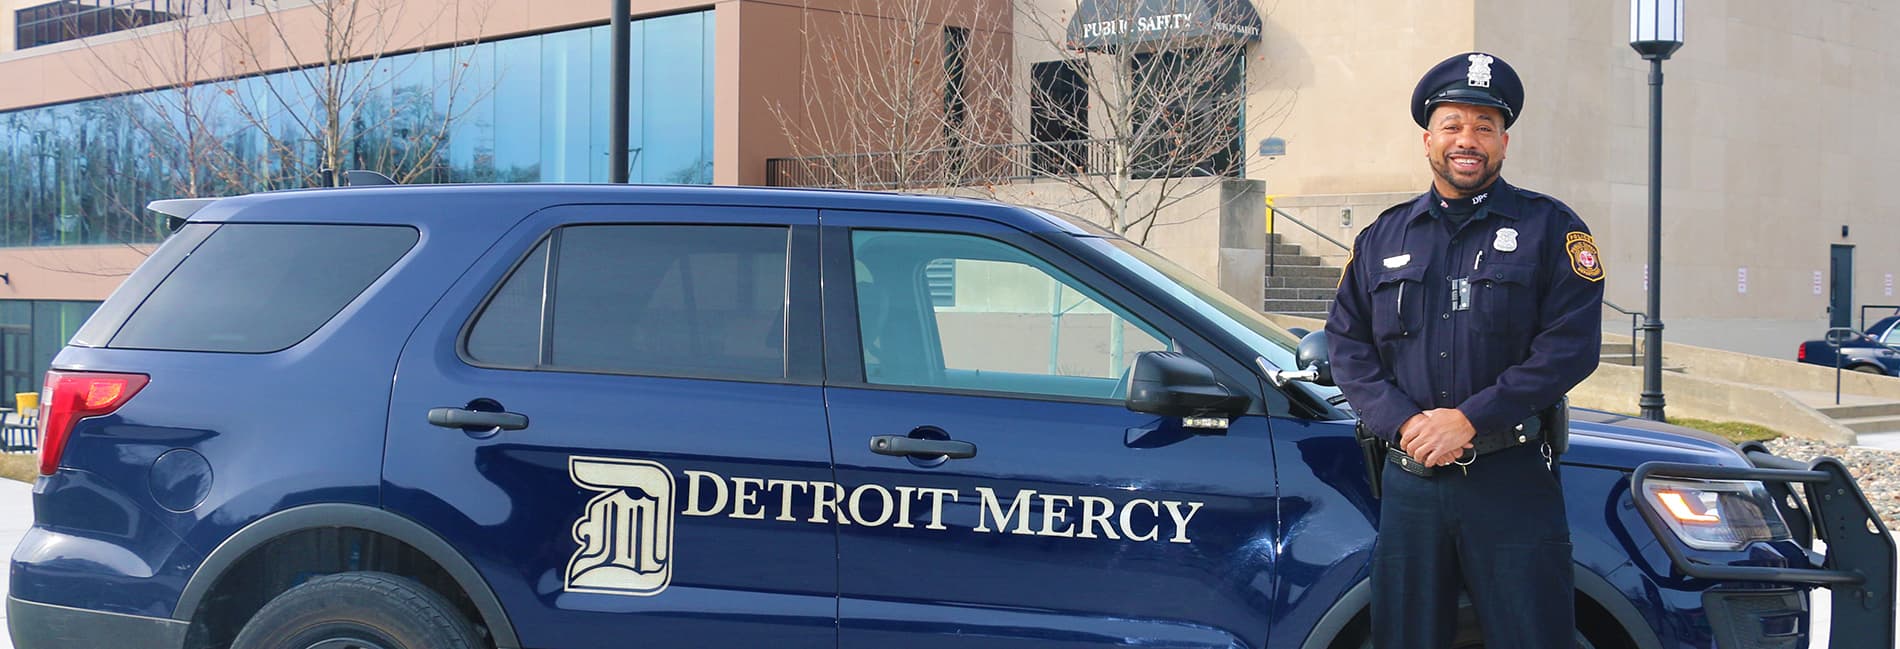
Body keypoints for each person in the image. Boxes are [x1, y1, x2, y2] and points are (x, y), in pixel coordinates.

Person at [1325, 52, 1605, 649]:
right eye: (1453, 125)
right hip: (1412, 484)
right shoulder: (1382, 237)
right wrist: (1403, 424)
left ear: (1504, 143)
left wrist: (1469, 420)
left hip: (1512, 481)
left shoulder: (1553, 230)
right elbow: (1347, 345)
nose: (1467, 140)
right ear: (1429, 139)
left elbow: (1570, 349)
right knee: (1404, 637)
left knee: (1535, 636)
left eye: (1484, 127)